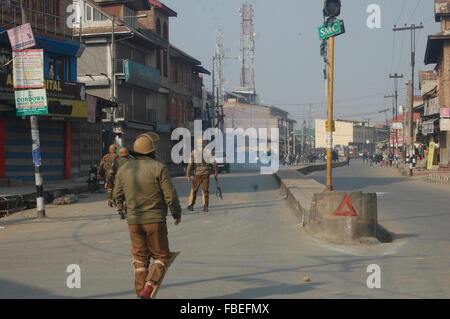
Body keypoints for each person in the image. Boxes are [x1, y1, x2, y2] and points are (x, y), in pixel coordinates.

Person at [113, 132, 182, 299]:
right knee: (162, 257)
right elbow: (170, 195)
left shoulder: (123, 169)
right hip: (155, 220)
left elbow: (117, 195)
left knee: (140, 260)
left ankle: (140, 293)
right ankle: (149, 288)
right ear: (152, 151)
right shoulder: (158, 168)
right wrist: (176, 213)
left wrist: (123, 207)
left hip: (134, 222)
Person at [186, 139, 218, 213]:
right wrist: (216, 171)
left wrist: (188, 174)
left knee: (194, 190)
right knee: (205, 190)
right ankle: (205, 206)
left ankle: (191, 206)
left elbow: (190, 164)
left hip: (197, 174)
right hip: (206, 174)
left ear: (197, 144)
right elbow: (214, 162)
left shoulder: (193, 152)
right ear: (204, 144)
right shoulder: (207, 152)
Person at [114, 147, 131, 219]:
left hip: (118, 180)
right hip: (129, 180)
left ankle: (120, 210)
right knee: (127, 195)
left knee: (119, 196)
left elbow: (112, 171)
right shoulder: (131, 161)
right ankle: (126, 208)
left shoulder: (116, 161)